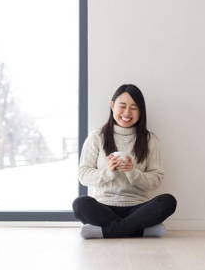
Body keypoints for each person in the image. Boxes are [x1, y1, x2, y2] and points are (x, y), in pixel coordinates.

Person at [72, 84, 177, 239]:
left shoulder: (150, 140)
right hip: (104, 205)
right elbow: (83, 175)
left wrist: (132, 172)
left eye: (134, 107)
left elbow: (156, 179)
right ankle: (141, 231)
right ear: (112, 105)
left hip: (138, 207)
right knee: (80, 204)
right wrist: (108, 172)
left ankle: (105, 232)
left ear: (141, 111)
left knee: (168, 201)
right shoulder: (97, 137)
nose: (127, 113)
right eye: (122, 106)